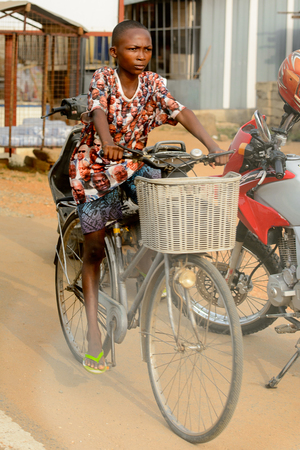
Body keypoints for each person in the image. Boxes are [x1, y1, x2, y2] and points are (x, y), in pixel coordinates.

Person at [69, 19, 227, 374]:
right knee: (94, 249)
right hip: (94, 169)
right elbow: (97, 110)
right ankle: (94, 332)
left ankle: (141, 276)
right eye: (132, 49)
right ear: (115, 52)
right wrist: (107, 142)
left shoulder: (154, 83)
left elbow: (179, 110)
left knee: (166, 206)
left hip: (135, 164)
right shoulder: (104, 79)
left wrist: (213, 145)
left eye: (146, 49)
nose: (141, 56)